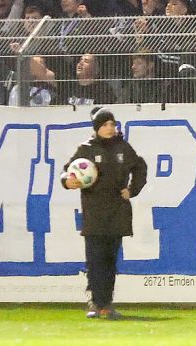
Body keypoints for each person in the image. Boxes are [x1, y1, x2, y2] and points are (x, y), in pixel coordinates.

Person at [62, 106, 147, 320]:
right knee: (95, 259)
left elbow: (140, 167)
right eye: (105, 125)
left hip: (117, 211)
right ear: (97, 128)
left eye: (112, 124)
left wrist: (133, 189)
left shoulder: (123, 148)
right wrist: (67, 181)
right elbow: (67, 170)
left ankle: (106, 304)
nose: (110, 128)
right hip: (94, 212)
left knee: (110, 260)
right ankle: (96, 302)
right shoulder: (87, 148)